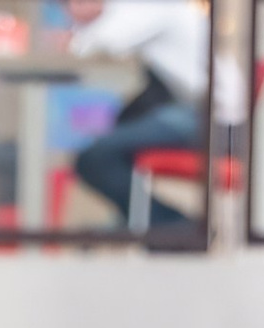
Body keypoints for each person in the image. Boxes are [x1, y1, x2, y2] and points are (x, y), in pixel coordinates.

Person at [66, 0, 211, 231]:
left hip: (206, 119)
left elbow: (104, 43)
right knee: (117, 129)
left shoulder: (157, 7)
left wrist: (73, 35)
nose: (73, 10)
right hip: (191, 110)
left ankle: (176, 228)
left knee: (95, 157)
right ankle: (155, 225)